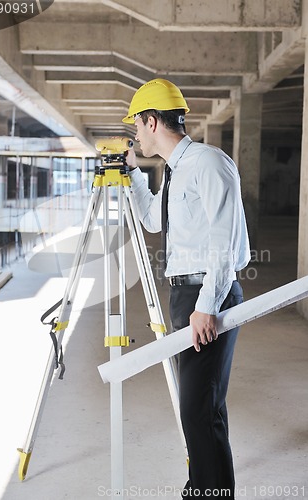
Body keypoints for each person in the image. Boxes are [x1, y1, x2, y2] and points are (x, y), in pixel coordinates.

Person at [122, 78, 251, 499]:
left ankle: (206, 492)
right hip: (187, 297)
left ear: (152, 120)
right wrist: (134, 176)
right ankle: (207, 489)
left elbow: (224, 242)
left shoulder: (209, 164)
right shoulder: (177, 171)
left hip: (206, 296)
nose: (136, 134)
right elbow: (155, 221)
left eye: (137, 126)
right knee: (201, 408)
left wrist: (206, 304)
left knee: (198, 409)